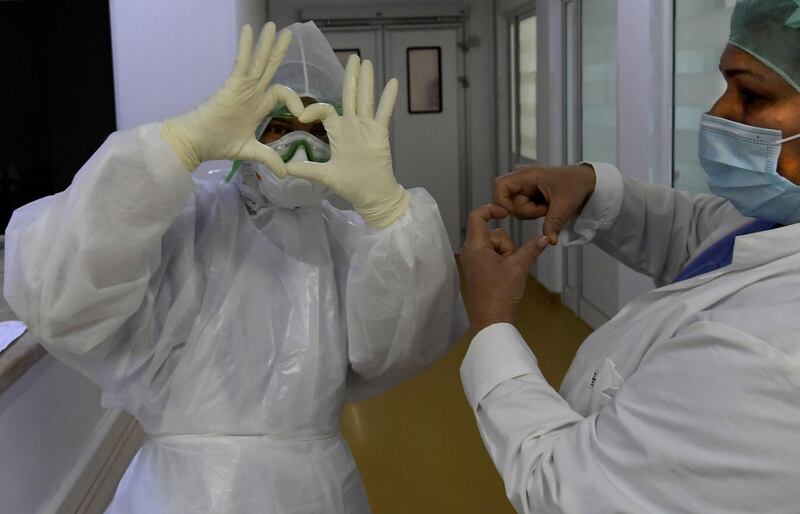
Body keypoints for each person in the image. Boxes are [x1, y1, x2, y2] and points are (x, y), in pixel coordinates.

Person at [3, 21, 465, 513]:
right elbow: (56, 288)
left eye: (318, 132)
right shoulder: (188, 222)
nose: (299, 150)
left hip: (312, 491)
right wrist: (174, 146)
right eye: (280, 129)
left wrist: (389, 212)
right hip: (183, 494)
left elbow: (405, 341)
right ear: (247, 128)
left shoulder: (346, 238)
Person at [459, 1, 800, 513]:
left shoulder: (771, 352)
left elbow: (563, 490)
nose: (717, 112)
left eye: (751, 94)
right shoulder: (782, 213)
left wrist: (491, 325)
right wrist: (592, 187)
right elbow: (705, 239)